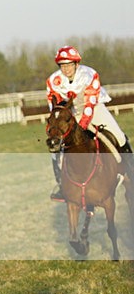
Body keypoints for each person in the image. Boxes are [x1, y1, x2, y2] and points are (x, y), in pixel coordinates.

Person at [46, 45, 133, 201]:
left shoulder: (89, 75)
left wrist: (83, 126)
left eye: (69, 65)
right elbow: (54, 106)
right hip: (70, 114)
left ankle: (131, 171)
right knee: (55, 146)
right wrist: (55, 125)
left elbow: (89, 104)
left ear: (76, 64)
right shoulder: (53, 80)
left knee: (118, 135)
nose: (66, 69)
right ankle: (61, 184)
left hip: (93, 107)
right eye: (62, 65)